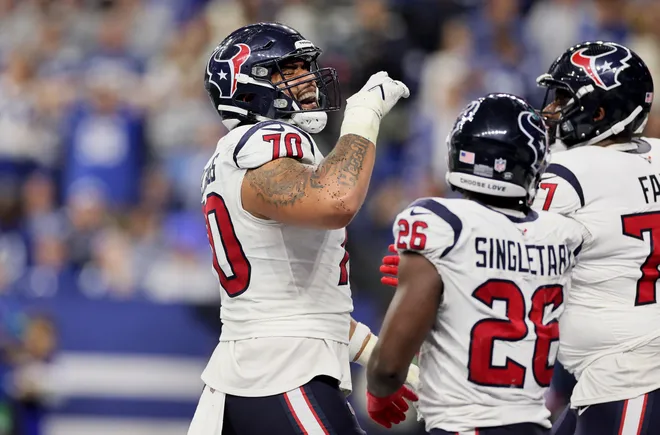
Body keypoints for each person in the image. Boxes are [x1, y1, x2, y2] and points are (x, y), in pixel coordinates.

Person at [187, 22, 418, 435]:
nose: (307, 79)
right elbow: (336, 201)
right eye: (287, 70)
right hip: (280, 371)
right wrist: (363, 118)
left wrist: (379, 360)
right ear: (247, 85)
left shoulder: (243, 153)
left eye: (304, 67)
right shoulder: (264, 140)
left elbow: (301, 303)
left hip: (266, 370)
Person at [367, 93, 585, 435]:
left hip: (465, 427)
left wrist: (379, 390)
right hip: (534, 425)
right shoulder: (561, 233)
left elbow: (388, 369)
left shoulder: (441, 223)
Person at [533, 41, 660, 435]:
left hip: (630, 375)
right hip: (618, 373)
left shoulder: (570, 171)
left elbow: (509, 248)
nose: (551, 109)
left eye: (563, 98)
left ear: (600, 112)